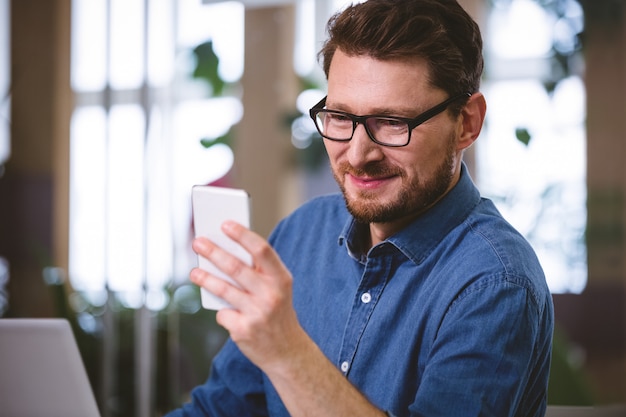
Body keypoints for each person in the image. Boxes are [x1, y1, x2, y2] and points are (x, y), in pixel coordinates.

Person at [166, 0, 554, 416]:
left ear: (467, 123)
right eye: (339, 116)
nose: (357, 153)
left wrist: (289, 354)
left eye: (392, 123)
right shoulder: (301, 234)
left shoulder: (495, 283)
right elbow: (218, 409)